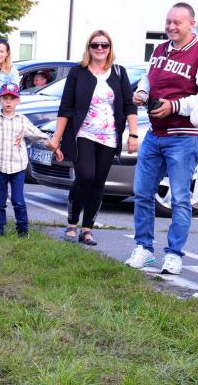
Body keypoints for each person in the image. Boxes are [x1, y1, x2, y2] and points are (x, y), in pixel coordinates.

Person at [125, 2, 198, 276]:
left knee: (180, 198)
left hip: (183, 136)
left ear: (192, 24)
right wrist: (142, 93)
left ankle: (174, 254)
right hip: (154, 134)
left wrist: (174, 106)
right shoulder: (159, 50)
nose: (171, 26)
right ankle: (144, 249)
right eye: (168, 21)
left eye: (177, 22)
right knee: (142, 193)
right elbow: (148, 78)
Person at [49, 31, 138, 246]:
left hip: (109, 137)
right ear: (88, 48)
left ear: (110, 47)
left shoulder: (119, 72)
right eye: (95, 45)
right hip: (84, 134)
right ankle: (72, 223)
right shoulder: (77, 72)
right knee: (85, 176)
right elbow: (65, 107)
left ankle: (87, 229)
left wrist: (133, 134)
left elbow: (129, 105)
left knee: (99, 182)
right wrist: (57, 138)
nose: (100, 48)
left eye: (104, 45)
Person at [0, 83, 61, 237]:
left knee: (18, 201)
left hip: (18, 167)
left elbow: (37, 135)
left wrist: (54, 147)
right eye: (5, 98)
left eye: (12, 99)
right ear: (0, 100)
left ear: (18, 101)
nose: (8, 102)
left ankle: (23, 230)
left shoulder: (22, 120)